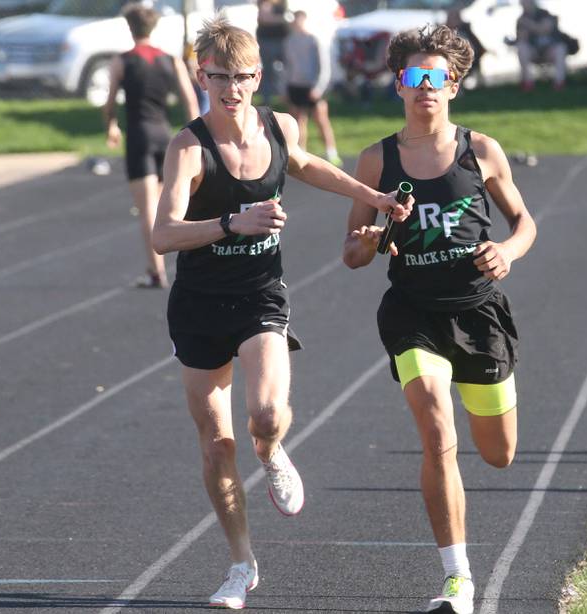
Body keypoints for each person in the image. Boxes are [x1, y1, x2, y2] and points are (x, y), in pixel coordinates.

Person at [151, 16, 411, 610]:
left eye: (243, 77)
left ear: (259, 76)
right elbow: (162, 235)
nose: (232, 88)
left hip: (260, 295)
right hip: (196, 306)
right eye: (220, 76)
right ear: (201, 75)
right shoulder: (188, 146)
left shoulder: (280, 125)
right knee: (217, 444)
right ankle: (241, 565)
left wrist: (372, 197)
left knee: (265, 416)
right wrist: (230, 223)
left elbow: (306, 164)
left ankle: (271, 452)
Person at [342, 24, 536, 614]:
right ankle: (458, 579)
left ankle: (487, 416)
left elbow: (525, 224)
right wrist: (373, 239)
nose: (425, 87)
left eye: (437, 77)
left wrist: (506, 252)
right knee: (436, 432)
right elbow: (350, 254)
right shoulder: (377, 159)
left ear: (453, 86)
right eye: (413, 76)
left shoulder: (482, 151)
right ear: (399, 84)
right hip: (413, 313)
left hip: (478, 312)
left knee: (499, 453)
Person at [104, 2, 199, 289]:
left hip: (139, 137)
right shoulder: (171, 60)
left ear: (130, 28)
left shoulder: (122, 60)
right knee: (172, 206)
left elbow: (108, 103)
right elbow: (190, 101)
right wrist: (196, 137)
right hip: (166, 136)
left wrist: (111, 125)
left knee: (148, 209)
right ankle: (188, 264)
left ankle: (156, 271)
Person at [284, 9, 342, 166]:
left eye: (297, 20)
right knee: (298, 121)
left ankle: (332, 152)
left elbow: (324, 66)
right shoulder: (289, 41)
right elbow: (288, 66)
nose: (295, 23)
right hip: (296, 85)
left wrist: (318, 87)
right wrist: (285, 87)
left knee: (321, 120)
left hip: (312, 86)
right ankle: (300, 153)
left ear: (303, 20)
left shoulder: (313, 40)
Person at [515, 0, 567, 91]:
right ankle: (528, 83)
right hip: (534, 52)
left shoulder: (544, 14)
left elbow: (545, 29)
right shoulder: (521, 19)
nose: (523, 4)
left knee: (561, 48)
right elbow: (521, 39)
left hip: (549, 51)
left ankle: (559, 83)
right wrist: (524, 32)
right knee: (521, 48)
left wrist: (529, 25)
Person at [256, 0, 290, 105]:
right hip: (267, 40)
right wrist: (283, 19)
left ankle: (287, 96)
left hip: (282, 40)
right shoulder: (264, 2)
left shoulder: (283, 3)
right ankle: (267, 99)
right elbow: (265, 18)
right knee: (268, 71)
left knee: (287, 69)